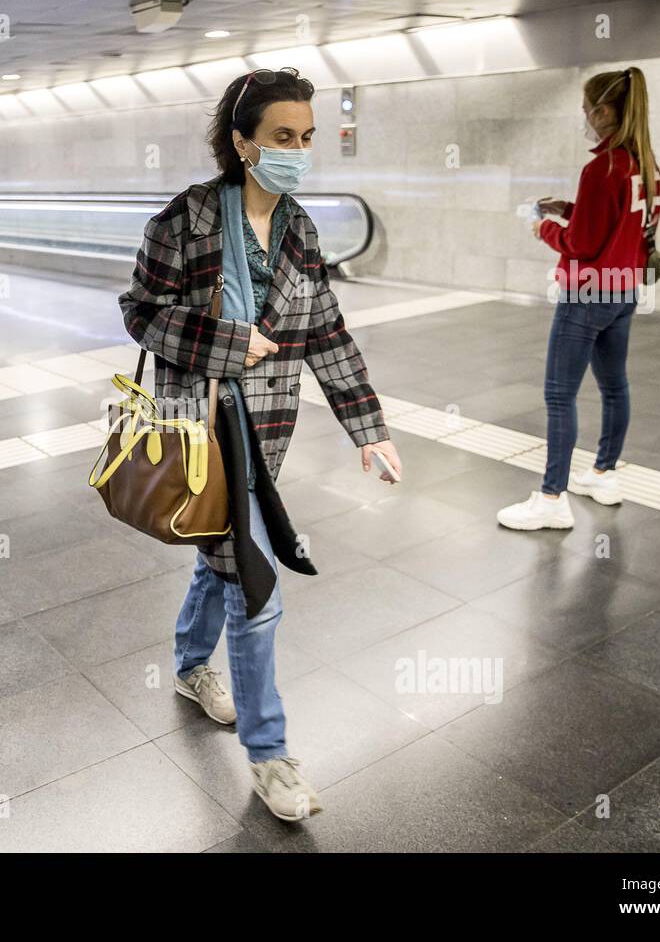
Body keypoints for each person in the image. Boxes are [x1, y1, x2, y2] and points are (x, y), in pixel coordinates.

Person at [118, 67, 402, 822]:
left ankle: (186, 667)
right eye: (283, 137)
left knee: (222, 556)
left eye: (307, 138)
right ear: (242, 142)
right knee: (255, 585)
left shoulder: (301, 229)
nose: (298, 151)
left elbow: (325, 333)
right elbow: (140, 311)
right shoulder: (185, 220)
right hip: (202, 425)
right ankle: (271, 757)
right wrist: (223, 340)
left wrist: (367, 428)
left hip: (267, 427)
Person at [498, 66, 660, 531]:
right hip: (625, 289)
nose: (586, 118)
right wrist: (567, 209)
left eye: (588, 110)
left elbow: (584, 245)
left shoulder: (601, 167)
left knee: (559, 394)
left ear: (605, 110)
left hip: (587, 293)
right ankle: (604, 475)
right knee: (615, 386)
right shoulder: (645, 163)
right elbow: (620, 224)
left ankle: (551, 498)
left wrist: (544, 228)